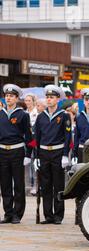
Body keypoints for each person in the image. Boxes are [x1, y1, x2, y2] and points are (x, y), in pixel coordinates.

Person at [34, 85, 71, 225]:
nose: (49, 100)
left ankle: (58, 216)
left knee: (58, 185)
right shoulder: (41, 117)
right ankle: (48, 215)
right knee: (46, 185)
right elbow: (36, 137)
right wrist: (36, 156)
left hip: (57, 152)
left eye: (52, 97)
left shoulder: (64, 115)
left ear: (57, 99)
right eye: (47, 97)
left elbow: (68, 137)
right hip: (43, 153)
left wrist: (65, 155)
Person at [0, 84, 33, 224]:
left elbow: (29, 136)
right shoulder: (1, 114)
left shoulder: (23, 115)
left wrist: (28, 154)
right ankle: (8, 213)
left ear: (16, 98)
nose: (8, 98)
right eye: (6, 96)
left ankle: (17, 214)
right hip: (2, 151)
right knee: (5, 184)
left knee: (18, 184)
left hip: (17, 151)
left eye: (11, 96)